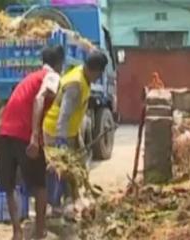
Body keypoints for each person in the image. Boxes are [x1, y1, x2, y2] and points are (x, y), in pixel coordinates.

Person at [0, 46, 65, 240]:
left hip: (5, 134)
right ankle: (40, 232)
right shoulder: (52, 77)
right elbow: (39, 98)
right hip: (24, 136)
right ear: (60, 63)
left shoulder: (29, 78)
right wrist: (35, 136)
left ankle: (17, 233)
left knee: (9, 187)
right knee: (40, 186)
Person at [42, 51, 108, 217]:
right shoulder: (76, 85)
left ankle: (74, 200)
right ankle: (54, 206)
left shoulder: (82, 75)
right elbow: (63, 115)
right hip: (55, 131)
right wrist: (61, 141)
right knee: (59, 169)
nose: (98, 78)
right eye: (99, 74)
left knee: (76, 167)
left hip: (70, 131)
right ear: (95, 71)